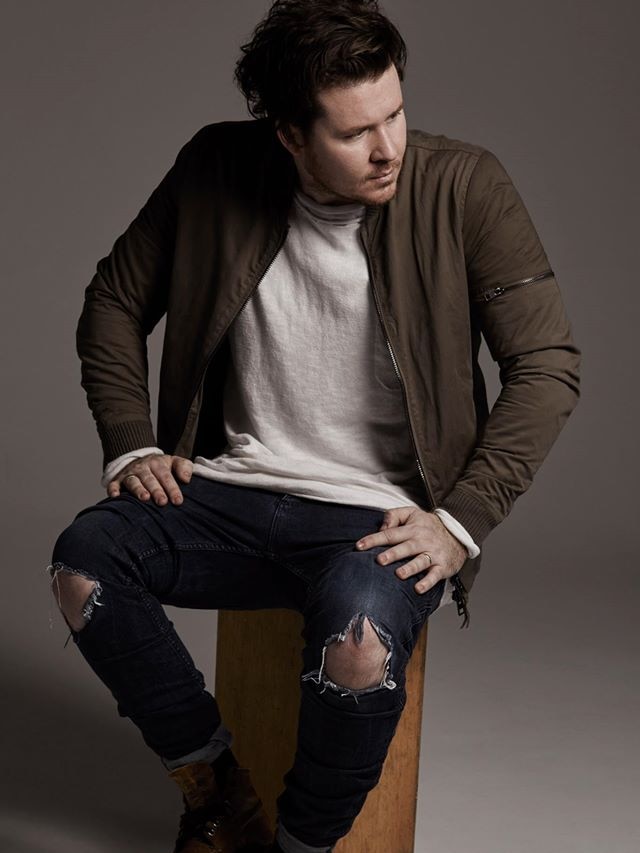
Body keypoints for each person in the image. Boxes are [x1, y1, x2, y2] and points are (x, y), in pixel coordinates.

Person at [48, 1, 581, 851]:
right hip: (230, 492)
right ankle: (216, 789)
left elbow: (547, 365)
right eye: (354, 132)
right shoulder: (217, 166)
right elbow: (115, 300)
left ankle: (300, 844)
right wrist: (132, 438)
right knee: (85, 565)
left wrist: (460, 522)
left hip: (376, 520)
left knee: (362, 651)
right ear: (289, 137)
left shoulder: (466, 187)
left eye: (396, 113)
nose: (388, 147)